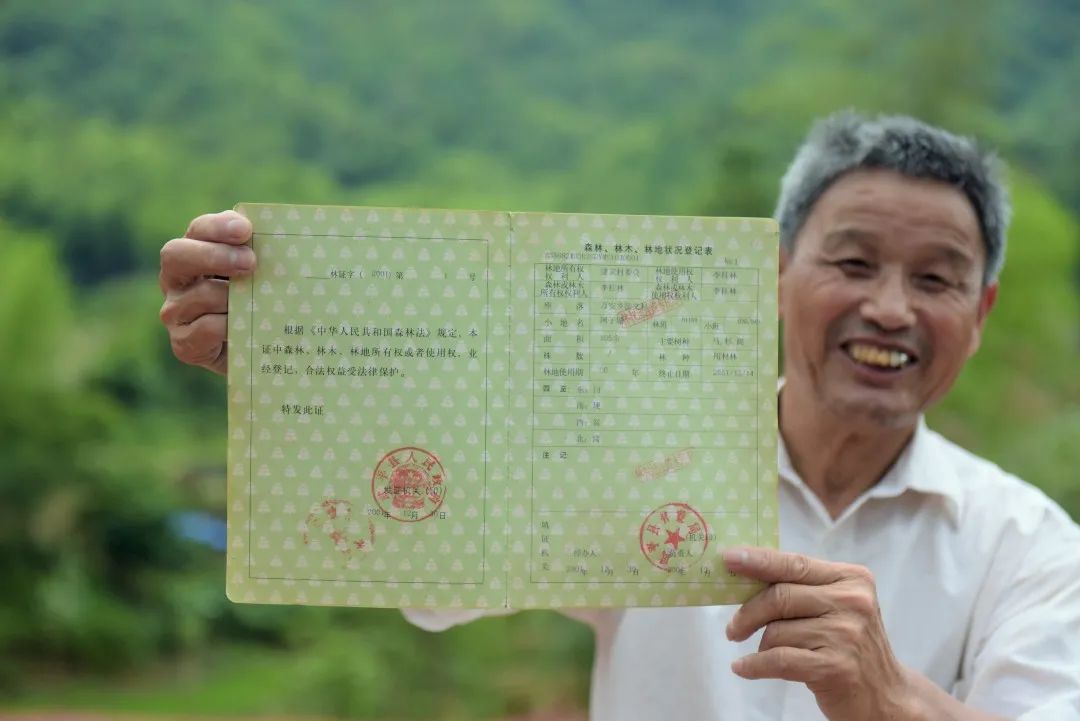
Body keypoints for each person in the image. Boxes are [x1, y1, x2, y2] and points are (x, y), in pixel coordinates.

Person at [159, 112, 1080, 720]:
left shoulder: (1029, 546)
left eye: (935, 278)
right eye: (852, 262)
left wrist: (891, 700)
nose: (890, 307)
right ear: (775, 273)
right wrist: (279, 359)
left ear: (983, 312)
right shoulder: (634, 456)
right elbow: (436, 560)